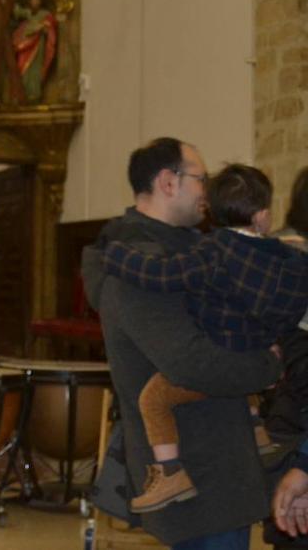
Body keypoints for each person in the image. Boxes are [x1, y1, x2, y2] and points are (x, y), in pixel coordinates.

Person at [82, 137, 284, 548]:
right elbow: (189, 363)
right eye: (201, 178)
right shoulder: (139, 262)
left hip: (219, 464)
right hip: (198, 474)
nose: (206, 191)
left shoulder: (186, 249)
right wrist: (268, 366)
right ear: (167, 182)